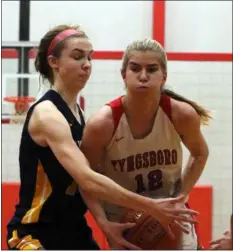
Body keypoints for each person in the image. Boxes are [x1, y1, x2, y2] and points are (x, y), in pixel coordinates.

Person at [6, 27, 199, 250]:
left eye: (90, 57)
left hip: (74, 230)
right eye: (77, 56)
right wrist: (152, 206)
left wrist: (104, 223)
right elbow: (88, 179)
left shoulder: (79, 115)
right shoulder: (47, 114)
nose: (87, 64)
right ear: (54, 62)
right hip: (35, 231)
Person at [80, 38, 211, 249]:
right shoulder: (102, 124)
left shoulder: (181, 114)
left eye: (151, 69)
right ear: (124, 75)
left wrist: (180, 197)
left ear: (163, 77)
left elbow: (200, 154)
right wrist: (104, 224)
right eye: (135, 69)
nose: (143, 76)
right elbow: (85, 179)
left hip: (170, 213)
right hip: (125, 220)